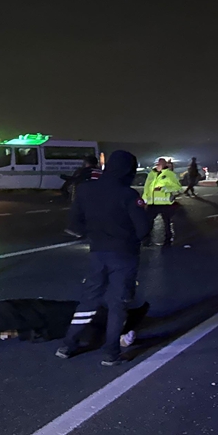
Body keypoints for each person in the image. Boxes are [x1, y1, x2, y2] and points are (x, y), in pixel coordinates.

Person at [56, 150, 150, 366]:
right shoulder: (128, 195)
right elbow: (143, 230)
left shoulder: (86, 189)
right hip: (124, 255)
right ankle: (110, 353)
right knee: (118, 303)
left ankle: (68, 344)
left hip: (97, 252)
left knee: (89, 298)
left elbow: (74, 225)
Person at [142, 157, 182, 247]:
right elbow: (147, 187)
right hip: (152, 203)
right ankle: (146, 239)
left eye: (160, 163)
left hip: (165, 204)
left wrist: (166, 189)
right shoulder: (151, 174)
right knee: (148, 222)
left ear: (165, 164)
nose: (158, 165)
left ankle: (168, 239)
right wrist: (144, 199)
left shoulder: (170, 174)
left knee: (166, 223)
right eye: (157, 163)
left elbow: (178, 188)